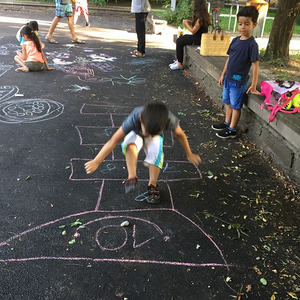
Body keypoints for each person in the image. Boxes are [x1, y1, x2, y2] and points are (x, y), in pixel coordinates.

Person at [84, 102, 201, 204]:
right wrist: (96, 161)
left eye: (153, 133)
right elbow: (113, 141)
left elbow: (181, 135)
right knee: (130, 145)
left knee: (156, 153)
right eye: (148, 132)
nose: (149, 135)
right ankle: (132, 176)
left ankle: (152, 185)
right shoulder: (134, 118)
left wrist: (189, 153)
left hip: (156, 137)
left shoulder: (169, 119)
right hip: (136, 133)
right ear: (140, 119)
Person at [211, 6, 260, 139]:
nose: (242, 27)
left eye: (247, 24)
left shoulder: (252, 45)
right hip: (228, 79)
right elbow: (230, 58)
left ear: (254, 24)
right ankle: (227, 123)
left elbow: (255, 65)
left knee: (235, 106)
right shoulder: (235, 41)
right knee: (227, 102)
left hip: (239, 82)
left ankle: (232, 129)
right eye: (240, 24)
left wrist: (254, 85)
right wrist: (223, 74)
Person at [169, 0, 211, 70]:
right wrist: (190, 22)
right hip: (199, 37)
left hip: (198, 39)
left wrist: (186, 24)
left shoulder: (200, 18)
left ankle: (179, 64)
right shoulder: (203, 15)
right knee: (181, 38)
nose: (193, 6)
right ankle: (178, 61)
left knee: (180, 41)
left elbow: (193, 31)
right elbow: (197, 26)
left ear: (197, 6)